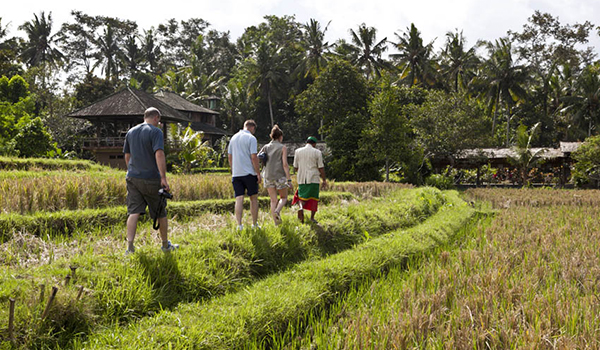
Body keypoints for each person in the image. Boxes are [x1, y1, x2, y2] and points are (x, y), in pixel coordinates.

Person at [123, 107, 178, 254]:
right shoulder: (156, 132)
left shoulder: (131, 132)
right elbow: (159, 154)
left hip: (133, 177)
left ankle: (130, 248)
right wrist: (163, 178)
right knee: (160, 212)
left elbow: (127, 156)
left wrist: (132, 170)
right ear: (156, 118)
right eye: (159, 120)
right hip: (151, 178)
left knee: (133, 212)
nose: (159, 123)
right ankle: (165, 246)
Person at [228, 119, 262, 230]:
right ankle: (254, 224)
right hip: (249, 173)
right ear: (252, 128)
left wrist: (233, 170)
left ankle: (239, 225)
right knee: (253, 198)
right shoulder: (251, 138)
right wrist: (258, 172)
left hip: (236, 174)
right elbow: (254, 157)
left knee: (239, 199)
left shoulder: (233, 138)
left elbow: (230, 156)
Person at [259, 125, 292, 225]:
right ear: (280, 137)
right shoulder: (282, 147)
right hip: (279, 176)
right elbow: (285, 164)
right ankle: (277, 211)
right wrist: (289, 180)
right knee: (284, 198)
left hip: (268, 176)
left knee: (273, 200)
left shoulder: (266, 147)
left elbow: (258, 157)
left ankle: (276, 222)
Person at [292, 136, 327, 223]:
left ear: (306, 142)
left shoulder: (297, 151)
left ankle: (300, 208)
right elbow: (321, 167)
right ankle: (312, 218)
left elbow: (295, 167)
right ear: (314, 144)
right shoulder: (317, 152)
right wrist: (324, 180)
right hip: (313, 178)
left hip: (302, 178)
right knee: (314, 198)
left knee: (301, 196)